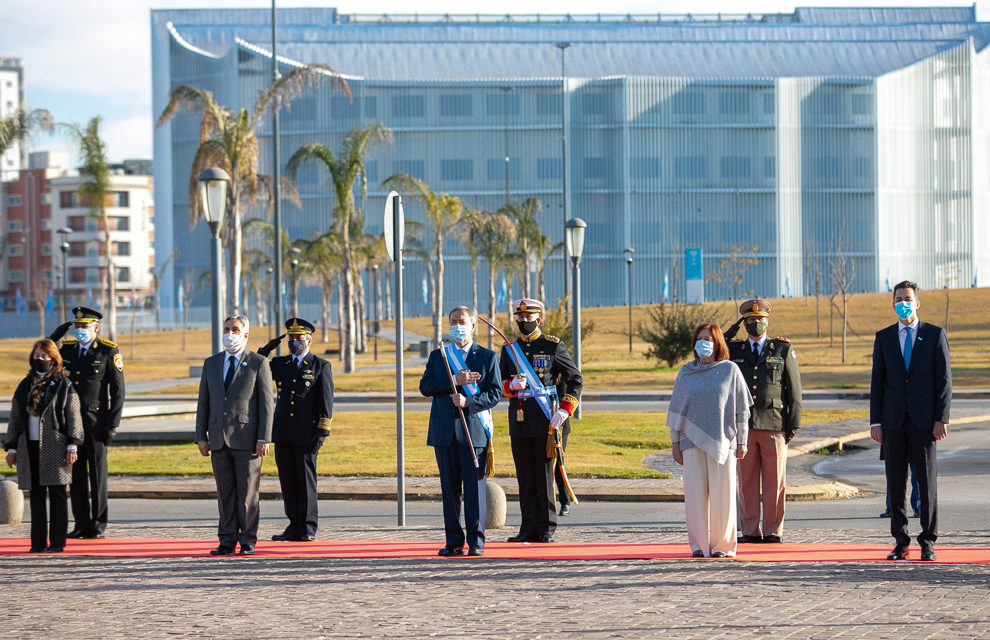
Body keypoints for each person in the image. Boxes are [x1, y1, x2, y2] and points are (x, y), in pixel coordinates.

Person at [870, 280, 950, 561]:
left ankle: (927, 540)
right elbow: (878, 382)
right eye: (898, 298)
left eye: (908, 298)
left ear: (917, 303)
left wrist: (941, 418)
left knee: (927, 484)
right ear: (893, 303)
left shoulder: (935, 334)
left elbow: (944, 382)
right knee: (896, 484)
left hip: (925, 422)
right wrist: (875, 422)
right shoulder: (884, 337)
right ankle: (900, 541)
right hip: (892, 422)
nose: (903, 302)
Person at [419, 306, 502, 557]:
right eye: (453, 321)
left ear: (473, 325)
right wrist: (454, 381)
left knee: (474, 491)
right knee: (449, 490)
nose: (457, 326)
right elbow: (426, 386)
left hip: (473, 432)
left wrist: (469, 402)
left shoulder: (487, 357)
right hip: (443, 432)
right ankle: (453, 541)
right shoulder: (438, 356)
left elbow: (495, 393)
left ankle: (476, 541)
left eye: (462, 321)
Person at [500, 298, 582, 544]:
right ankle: (527, 528)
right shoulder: (509, 350)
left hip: (548, 420)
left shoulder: (553, 346)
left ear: (538, 319)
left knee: (545, 475)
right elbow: (501, 384)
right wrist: (512, 385)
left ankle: (546, 528)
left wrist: (566, 410)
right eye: (520, 317)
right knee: (524, 475)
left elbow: (575, 379)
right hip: (520, 419)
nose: (524, 321)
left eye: (528, 317)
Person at [668, 324, 751, 558]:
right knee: (694, 498)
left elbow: (742, 410)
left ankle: (722, 546)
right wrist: (675, 442)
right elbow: (676, 410)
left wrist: (743, 441)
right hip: (690, 442)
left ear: (717, 343)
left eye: (709, 338)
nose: (703, 342)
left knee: (723, 495)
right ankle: (698, 545)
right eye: (700, 338)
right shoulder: (686, 372)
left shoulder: (730, 370)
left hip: (724, 442)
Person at [195, 314, 274, 556]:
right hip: (218, 438)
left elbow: (266, 404)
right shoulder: (211, 363)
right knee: (225, 493)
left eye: (236, 329)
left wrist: (264, 437)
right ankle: (227, 539)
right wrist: (201, 436)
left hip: (247, 439)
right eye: (227, 329)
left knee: (248, 492)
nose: (230, 333)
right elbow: (203, 402)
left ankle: (248, 538)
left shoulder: (259, 363)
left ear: (246, 334)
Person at [724, 298, 802, 544]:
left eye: (760, 319)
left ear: (767, 321)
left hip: (774, 424)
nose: (756, 323)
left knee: (774, 482)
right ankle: (749, 530)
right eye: (750, 320)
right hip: (744, 426)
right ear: (744, 323)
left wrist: (793, 424)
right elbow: (715, 349)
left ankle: (772, 531)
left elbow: (794, 390)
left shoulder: (782, 349)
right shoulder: (735, 351)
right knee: (745, 482)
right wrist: (730, 332)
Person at [50, 306, 125, 540]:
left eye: (85, 326)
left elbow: (118, 390)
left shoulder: (107, 351)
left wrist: (112, 423)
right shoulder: (67, 350)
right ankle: (81, 524)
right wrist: (56, 336)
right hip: (71, 424)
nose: (80, 330)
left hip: (96, 423)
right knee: (77, 476)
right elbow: (44, 355)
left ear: (96, 327)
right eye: (77, 326)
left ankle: (99, 525)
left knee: (98, 476)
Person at [4, 339, 84, 552]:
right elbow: (15, 418)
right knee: (37, 496)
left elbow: (74, 416)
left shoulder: (63, 384)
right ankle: (38, 543)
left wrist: (72, 445)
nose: (39, 359)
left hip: (56, 445)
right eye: (36, 356)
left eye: (44, 356)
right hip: (28, 445)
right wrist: (11, 447)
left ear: (53, 358)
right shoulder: (25, 385)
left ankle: (57, 542)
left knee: (57, 494)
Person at [266, 318, 334, 542]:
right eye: (292, 338)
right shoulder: (280, 364)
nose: (295, 342)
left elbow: (326, 401)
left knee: (305, 481)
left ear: (309, 341)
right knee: (288, 480)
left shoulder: (319, 366)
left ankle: (308, 527)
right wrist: (266, 349)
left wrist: (322, 431)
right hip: (283, 432)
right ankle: (293, 525)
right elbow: (255, 368)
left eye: (299, 338)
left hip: (307, 434)